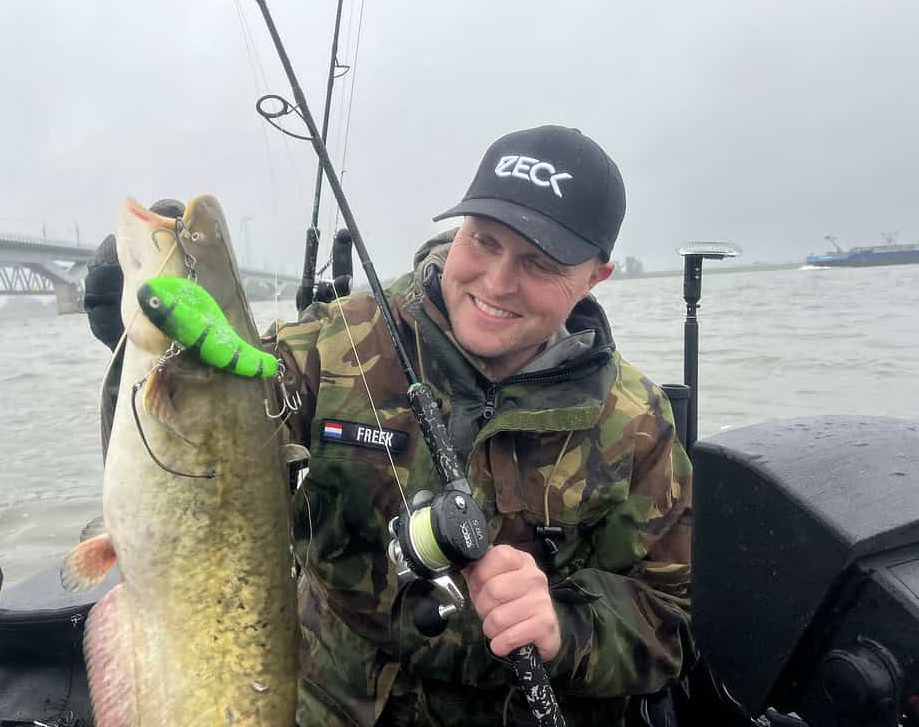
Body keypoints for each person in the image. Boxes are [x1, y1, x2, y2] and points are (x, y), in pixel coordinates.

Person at [84, 126, 692, 727]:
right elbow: (199, 428)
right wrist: (159, 338)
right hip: (324, 703)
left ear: (596, 275)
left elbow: (668, 622)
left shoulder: (636, 424)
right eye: (482, 241)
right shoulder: (334, 341)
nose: (498, 282)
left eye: (539, 262)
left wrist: (564, 626)